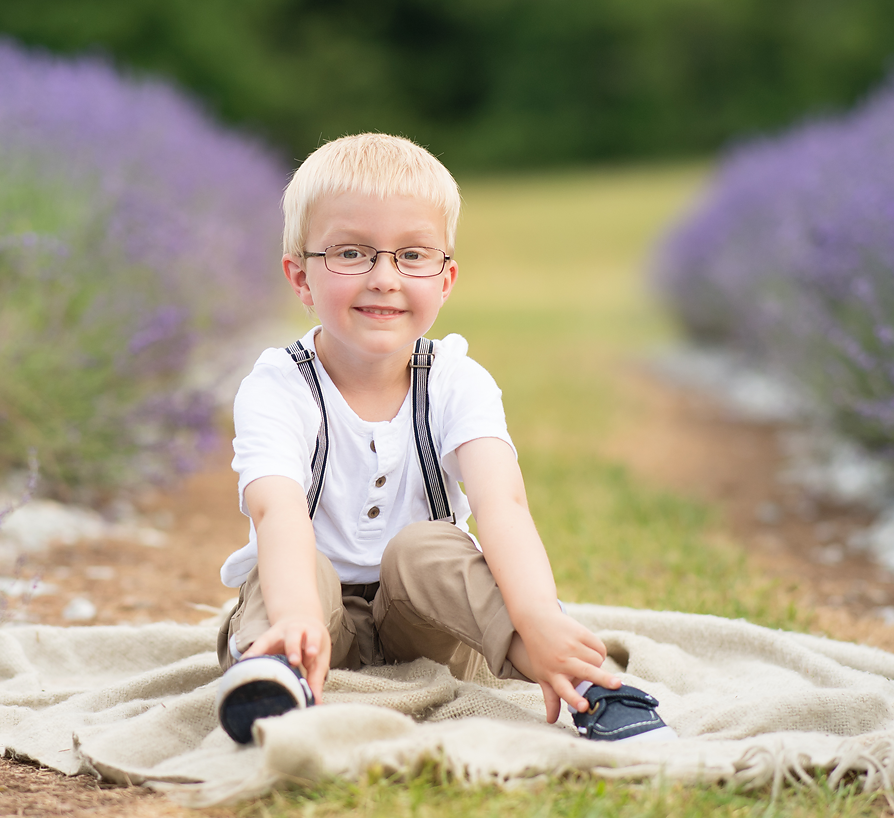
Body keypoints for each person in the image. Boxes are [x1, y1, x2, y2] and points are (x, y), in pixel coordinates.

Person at [213, 132, 675, 746]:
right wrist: (299, 618)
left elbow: (500, 503)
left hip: (424, 624)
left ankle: (581, 680)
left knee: (429, 548)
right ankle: (277, 672)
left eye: (412, 255)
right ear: (300, 277)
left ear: (446, 278)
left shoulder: (456, 380)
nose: (384, 278)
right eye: (351, 254)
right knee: (296, 573)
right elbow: (277, 512)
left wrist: (538, 615)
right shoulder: (277, 387)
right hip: (309, 606)